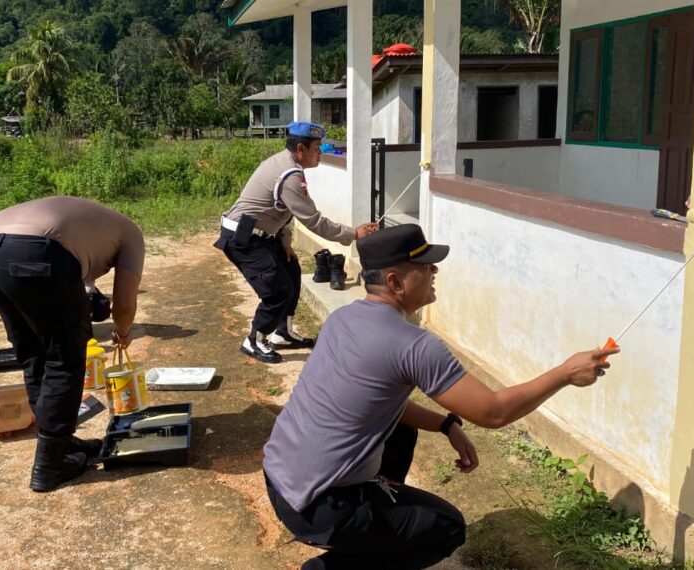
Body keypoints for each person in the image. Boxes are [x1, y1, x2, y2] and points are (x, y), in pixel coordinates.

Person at [262, 224, 618, 569]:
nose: (434, 270)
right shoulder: (414, 345)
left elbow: (377, 402)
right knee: (446, 529)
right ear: (395, 282)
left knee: (403, 430)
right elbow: (493, 413)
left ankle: (369, 530)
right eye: (424, 265)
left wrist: (446, 424)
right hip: (319, 506)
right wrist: (565, 374)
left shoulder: (343, 319)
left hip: (280, 479)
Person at [0, 196, 145, 492]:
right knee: (64, 359)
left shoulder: (93, 225)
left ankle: (58, 443)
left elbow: (78, 282)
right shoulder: (132, 234)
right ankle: (48, 467)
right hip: (39, 253)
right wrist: (123, 329)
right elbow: (125, 301)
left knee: (33, 353)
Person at [215, 121, 378, 364]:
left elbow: (281, 212)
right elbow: (313, 221)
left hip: (261, 234)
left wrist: (285, 242)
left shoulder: (286, 164)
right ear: (301, 149)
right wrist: (354, 234)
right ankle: (255, 340)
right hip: (244, 239)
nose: (320, 153)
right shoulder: (290, 176)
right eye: (317, 148)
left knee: (292, 271)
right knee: (277, 290)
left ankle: (283, 332)